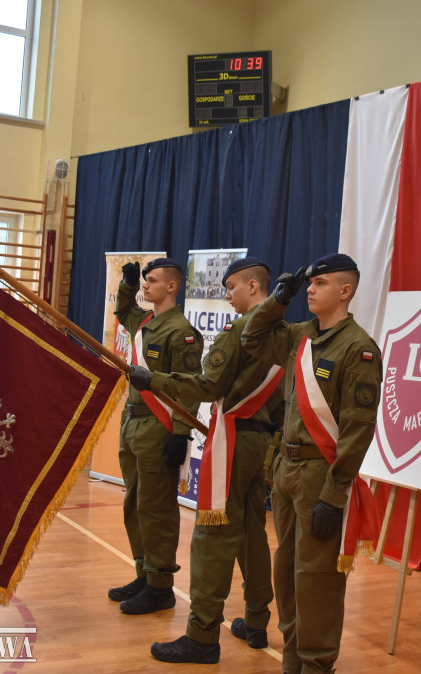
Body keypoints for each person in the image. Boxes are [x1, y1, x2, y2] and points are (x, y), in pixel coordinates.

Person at [126, 258, 283, 664]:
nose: (227, 295)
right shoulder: (284, 333)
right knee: (252, 534)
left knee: (213, 537)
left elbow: (207, 385)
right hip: (261, 442)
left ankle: (202, 636)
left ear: (253, 286)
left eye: (231, 287)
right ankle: (256, 620)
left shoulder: (241, 330)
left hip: (232, 440)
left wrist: (153, 380)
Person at [241, 253, 383, 674]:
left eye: (321, 284)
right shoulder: (299, 334)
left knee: (317, 577)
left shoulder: (358, 348)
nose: (312, 290)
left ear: (345, 291)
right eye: (310, 284)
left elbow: (358, 430)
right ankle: (293, 659)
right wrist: (278, 300)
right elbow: (251, 337)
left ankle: (317, 663)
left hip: (322, 475)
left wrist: (334, 495)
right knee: (286, 571)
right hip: (287, 470)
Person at [108, 257, 202, 614]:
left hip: (158, 428)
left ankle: (161, 586)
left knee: (157, 508)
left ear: (172, 286)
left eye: (152, 280)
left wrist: (181, 432)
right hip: (133, 425)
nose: (146, 285)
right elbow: (122, 310)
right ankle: (144, 574)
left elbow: (188, 387)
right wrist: (128, 285)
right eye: (144, 280)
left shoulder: (181, 332)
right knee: (134, 504)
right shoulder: (144, 321)